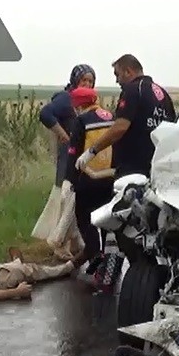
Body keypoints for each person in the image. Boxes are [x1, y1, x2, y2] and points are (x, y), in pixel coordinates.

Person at [76, 54, 177, 179]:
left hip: (133, 171)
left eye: (117, 75)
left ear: (128, 72)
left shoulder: (133, 90)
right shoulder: (164, 95)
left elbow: (120, 127)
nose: (117, 81)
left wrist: (92, 151)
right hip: (158, 169)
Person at [64, 85, 121, 290]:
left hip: (89, 176)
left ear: (79, 105)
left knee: (84, 217)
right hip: (111, 177)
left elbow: (74, 151)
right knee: (106, 220)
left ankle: (95, 253)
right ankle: (106, 260)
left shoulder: (81, 121)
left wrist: (69, 180)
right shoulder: (111, 117)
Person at [39, 64, 96, 187]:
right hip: (68, 157)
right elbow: (45, 114)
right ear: (75, 80)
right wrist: (63, 135)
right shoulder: (66, 97)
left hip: (84, 159)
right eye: (84, 80)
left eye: (90, 81)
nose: (87, 84)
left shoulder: (90, 101)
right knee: (63, 191)